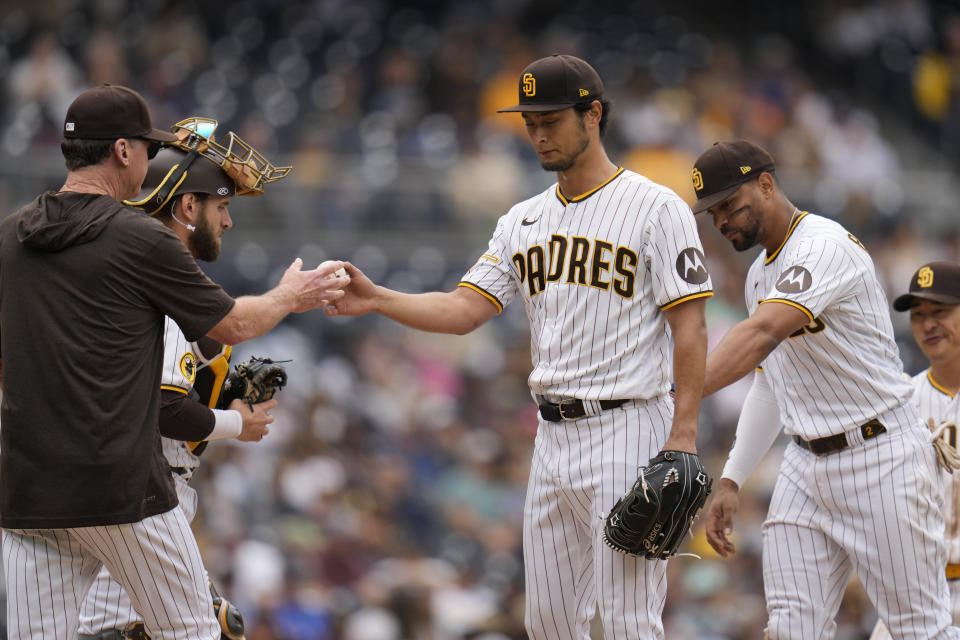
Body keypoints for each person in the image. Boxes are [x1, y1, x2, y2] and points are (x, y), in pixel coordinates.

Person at [327, 54, 713, 639]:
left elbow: (691, 326)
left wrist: (682, 436)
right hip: (552, 436)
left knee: (630, 619)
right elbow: (464, 310)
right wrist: (379, 297)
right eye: (530, 121)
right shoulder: (521, 220)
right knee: (548, 624)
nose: (537, 133)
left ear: (594, 114)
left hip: (630, 424)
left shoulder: (656, 207)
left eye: (551, 120)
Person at [0, 85, 347, 640]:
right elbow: (232, 324)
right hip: (119, 486)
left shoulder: (10, 237)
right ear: (121, 151)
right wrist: (291, 295)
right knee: (196, 631)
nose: (149, 158)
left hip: (30, 490)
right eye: (146, 147)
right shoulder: (137, 238)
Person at [695, 139, 959, 639]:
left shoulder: (823, 245)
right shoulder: (757, 277)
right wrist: (731, 479)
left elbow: (761, 334)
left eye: (729, 203)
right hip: (804, 465)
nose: (722, 219)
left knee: (917, 629)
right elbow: (771, 386)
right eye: (712, 212)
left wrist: (675, 395)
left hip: (881, 455)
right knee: (791, 630)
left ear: (767, 184)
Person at [77, 131, 285, 639]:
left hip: (118, 484)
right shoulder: (161, 283)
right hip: (146, 493)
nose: (229, 220)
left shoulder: (124, 272)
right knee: (206, 629)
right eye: (221, 205)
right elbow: (166, 408)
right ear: (188, 204)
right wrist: (240, 422)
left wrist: (226, 388)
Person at [867, 261, 960, 638]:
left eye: (940, 312)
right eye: (919, 315)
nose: (927, 325)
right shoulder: (900, 404)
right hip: (916, 592)